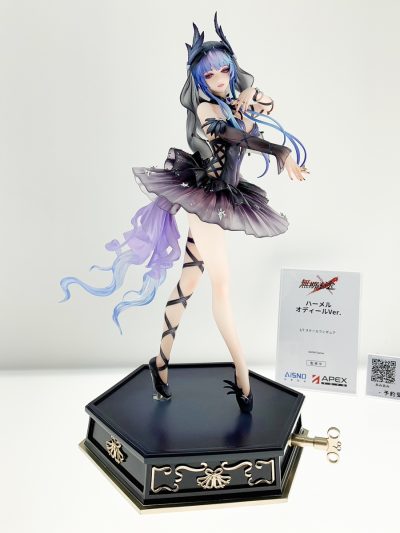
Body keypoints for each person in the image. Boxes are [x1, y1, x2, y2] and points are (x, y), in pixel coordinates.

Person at [60, 12, 308, 413]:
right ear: (198, 80)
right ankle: (243, 375)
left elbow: (268, 102)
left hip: (226, 194)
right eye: (209, 75)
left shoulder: (233, 97)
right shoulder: (207, 111)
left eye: (224, 70)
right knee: (222, 285)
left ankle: (160, 363)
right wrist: (279, 150)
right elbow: (236, 136)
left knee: (188, 283)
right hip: (206, 195)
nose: (219, 79)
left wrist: (249, 91)